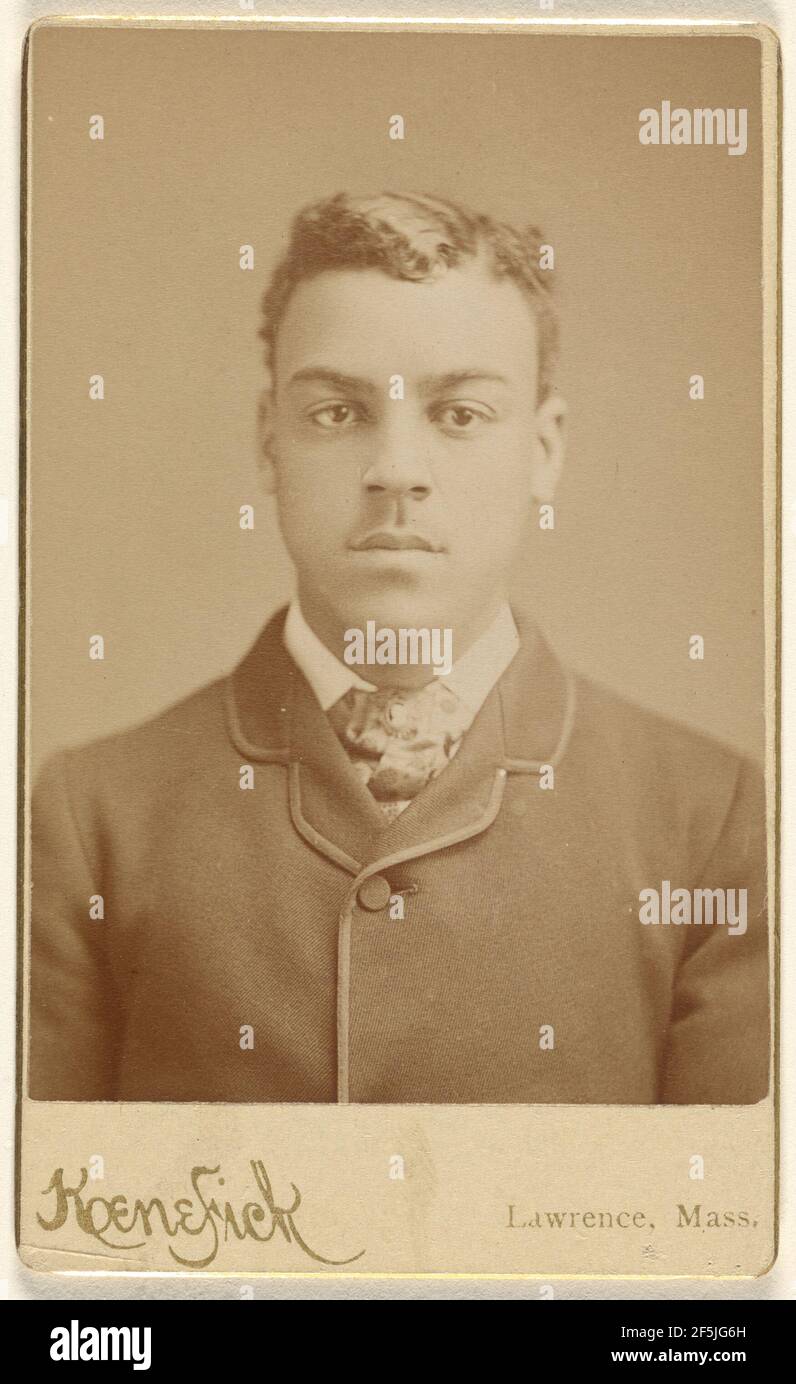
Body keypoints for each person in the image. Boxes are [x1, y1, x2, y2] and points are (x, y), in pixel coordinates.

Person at [28, 192, 770, 1104]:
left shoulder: (707, 821)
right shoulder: (93, 818)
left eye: (459, 414)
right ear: (269, 443)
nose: (397, 472)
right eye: (338, 413)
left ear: (544, 451)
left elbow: (726, 1194)